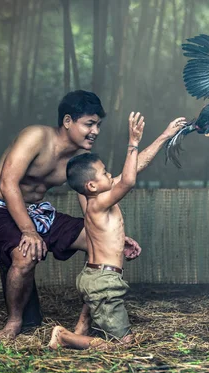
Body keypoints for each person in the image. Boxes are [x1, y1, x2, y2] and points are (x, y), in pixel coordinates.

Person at [0, 89, 184, 339]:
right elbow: (7, 183)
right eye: (89, 124)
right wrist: (28, 231)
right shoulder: (36, 136)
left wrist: (110, 237)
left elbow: (106, 194)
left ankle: (82, 325)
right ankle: (14, 322)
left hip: (39, 213)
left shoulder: (80, 161)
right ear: (68, 121)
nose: (95, 131)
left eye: (98, 125)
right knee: (24, 255)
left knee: (95, 241)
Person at [49, 112, 177, 350]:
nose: (110, 175)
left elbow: (134, 169)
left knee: (107, 318)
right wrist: (133, 142)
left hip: (96, 276)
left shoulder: (94, 200)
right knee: (122, 345)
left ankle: (81, 328)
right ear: (92, 185)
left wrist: (165, 135)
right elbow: (128, 180)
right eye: (106, 173)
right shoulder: (99, 202)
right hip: (104, 281)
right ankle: (65, 337)